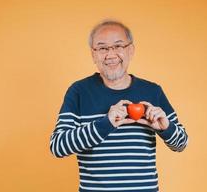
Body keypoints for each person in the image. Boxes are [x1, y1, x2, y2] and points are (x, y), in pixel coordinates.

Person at [49, 20, 188, 192]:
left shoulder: (153, 91)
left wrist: (165, 128)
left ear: (131, 50)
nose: (111, 55)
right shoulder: (79, 91)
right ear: (93, 55)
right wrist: (105, 123)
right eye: (102, 48)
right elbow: (58, 147)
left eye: (118, 46)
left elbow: (181, 144)